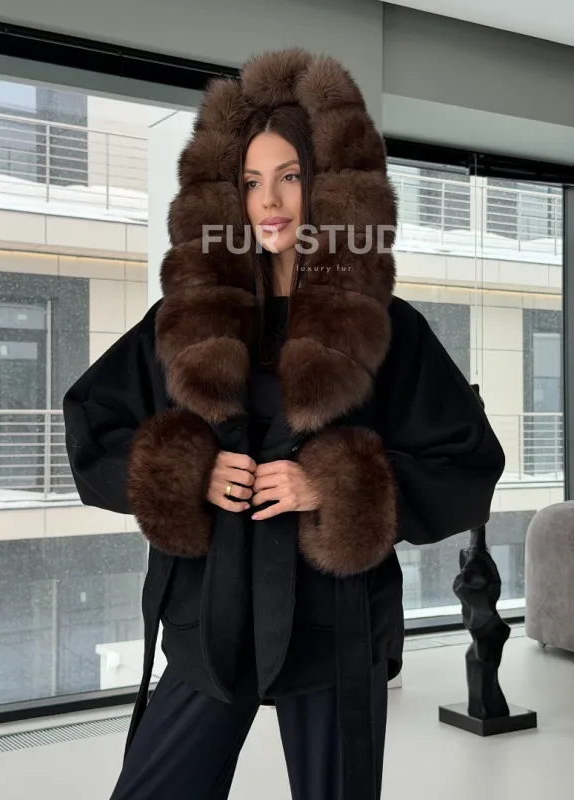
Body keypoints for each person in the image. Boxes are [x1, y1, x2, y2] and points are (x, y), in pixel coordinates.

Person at [63, 47, 505, 800]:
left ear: (328, 185)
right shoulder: (185, 322)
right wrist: (188, 472)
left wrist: (333, 486)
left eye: (291, 176)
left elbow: (468, 464)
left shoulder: (387, 329)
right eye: (250, 181)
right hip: (209, 621)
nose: (269, 200)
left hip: (335, 630)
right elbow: (92, 427)